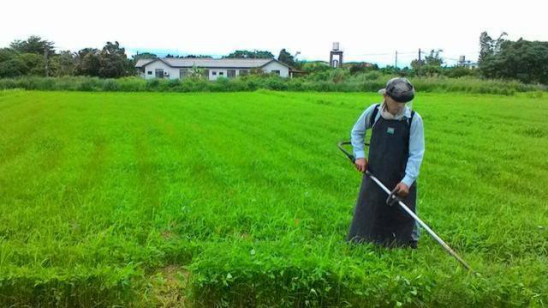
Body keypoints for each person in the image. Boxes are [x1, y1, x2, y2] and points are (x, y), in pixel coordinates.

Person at [346, 77, 425, 248]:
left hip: (400, 175)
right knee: (371, 205)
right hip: (375, 170)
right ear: (385, 97)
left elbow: (416, 153)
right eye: (396, 101)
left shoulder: (413, 120)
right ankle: (367, 238)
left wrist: (407, 181)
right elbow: (357, 132)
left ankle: (408, 240)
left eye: (403, 102)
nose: (399, 106)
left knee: (404, 209)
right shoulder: (373, 112)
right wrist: (359, 155)